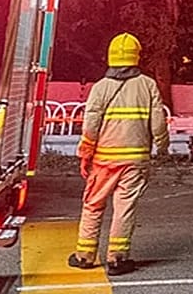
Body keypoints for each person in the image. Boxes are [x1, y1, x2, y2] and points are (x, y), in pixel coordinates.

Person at [71, 33, 170, 275]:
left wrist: (85, 154)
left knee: (93, 205)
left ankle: (84, 255)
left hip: (104, 160)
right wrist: (162, 146)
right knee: (124, 207)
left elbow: (90, 126)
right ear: (136, 57)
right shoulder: (148, 85)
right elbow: (158, 122)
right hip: (135, 161)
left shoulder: (100, 87)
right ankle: (117, 259)